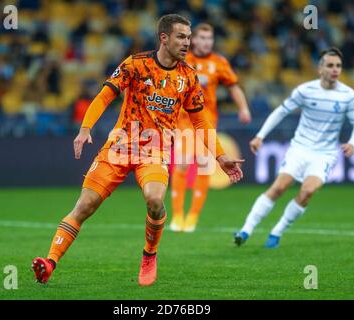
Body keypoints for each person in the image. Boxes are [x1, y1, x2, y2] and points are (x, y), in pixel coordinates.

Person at [31, 14, 244, 287]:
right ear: (164, 38)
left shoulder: (189, 77)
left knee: (155, 201)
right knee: (84, 206)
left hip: (155, 151)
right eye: (181, 37)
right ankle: (50, 263)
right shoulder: (136, 64)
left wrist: (221, 157)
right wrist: (85, 129)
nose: (187, 43)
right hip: (120, 145)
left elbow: (200, 120)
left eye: (189, 38)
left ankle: (149, 255)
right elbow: (106, 94)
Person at [234, 47, 354, 248]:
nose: (335, 69)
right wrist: (260, 136)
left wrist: (353, 143)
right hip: (300, 148)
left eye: (338, 65)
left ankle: (277, 232)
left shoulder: (348, 95)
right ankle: (246, 229)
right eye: (330, 65)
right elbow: (281, 112)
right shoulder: (305, 90)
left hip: (325, 154)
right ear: (320, 69)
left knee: (307, 192)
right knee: (279, 187)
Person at [169, 23, 251, 232]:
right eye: (202, 38)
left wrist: (243, 108)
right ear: (193, 40)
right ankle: (177, 215)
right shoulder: (181, 58)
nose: (207, 42)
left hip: (207, 123)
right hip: (184, 121)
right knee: (182, 165)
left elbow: (234, 87)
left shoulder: (219, 62)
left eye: (210, 38)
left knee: (204, 167)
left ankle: (193, 217)